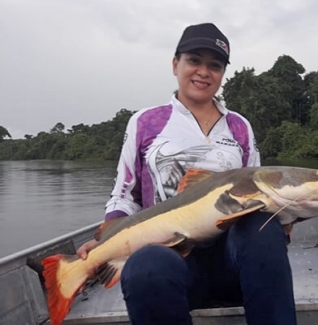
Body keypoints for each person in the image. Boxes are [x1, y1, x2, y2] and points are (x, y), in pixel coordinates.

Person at [76, 22, 298, 325]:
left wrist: (287, 217)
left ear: (222, 74)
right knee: (147, 263)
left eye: (215, 65)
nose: (204, 72)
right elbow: (125, 194)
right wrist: (108, 238)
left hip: (235, 265)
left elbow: (258, 190)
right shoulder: (145, 122)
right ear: (175, 64)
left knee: (261, 225)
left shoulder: (239, 127)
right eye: (194, 60)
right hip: (171, 267)